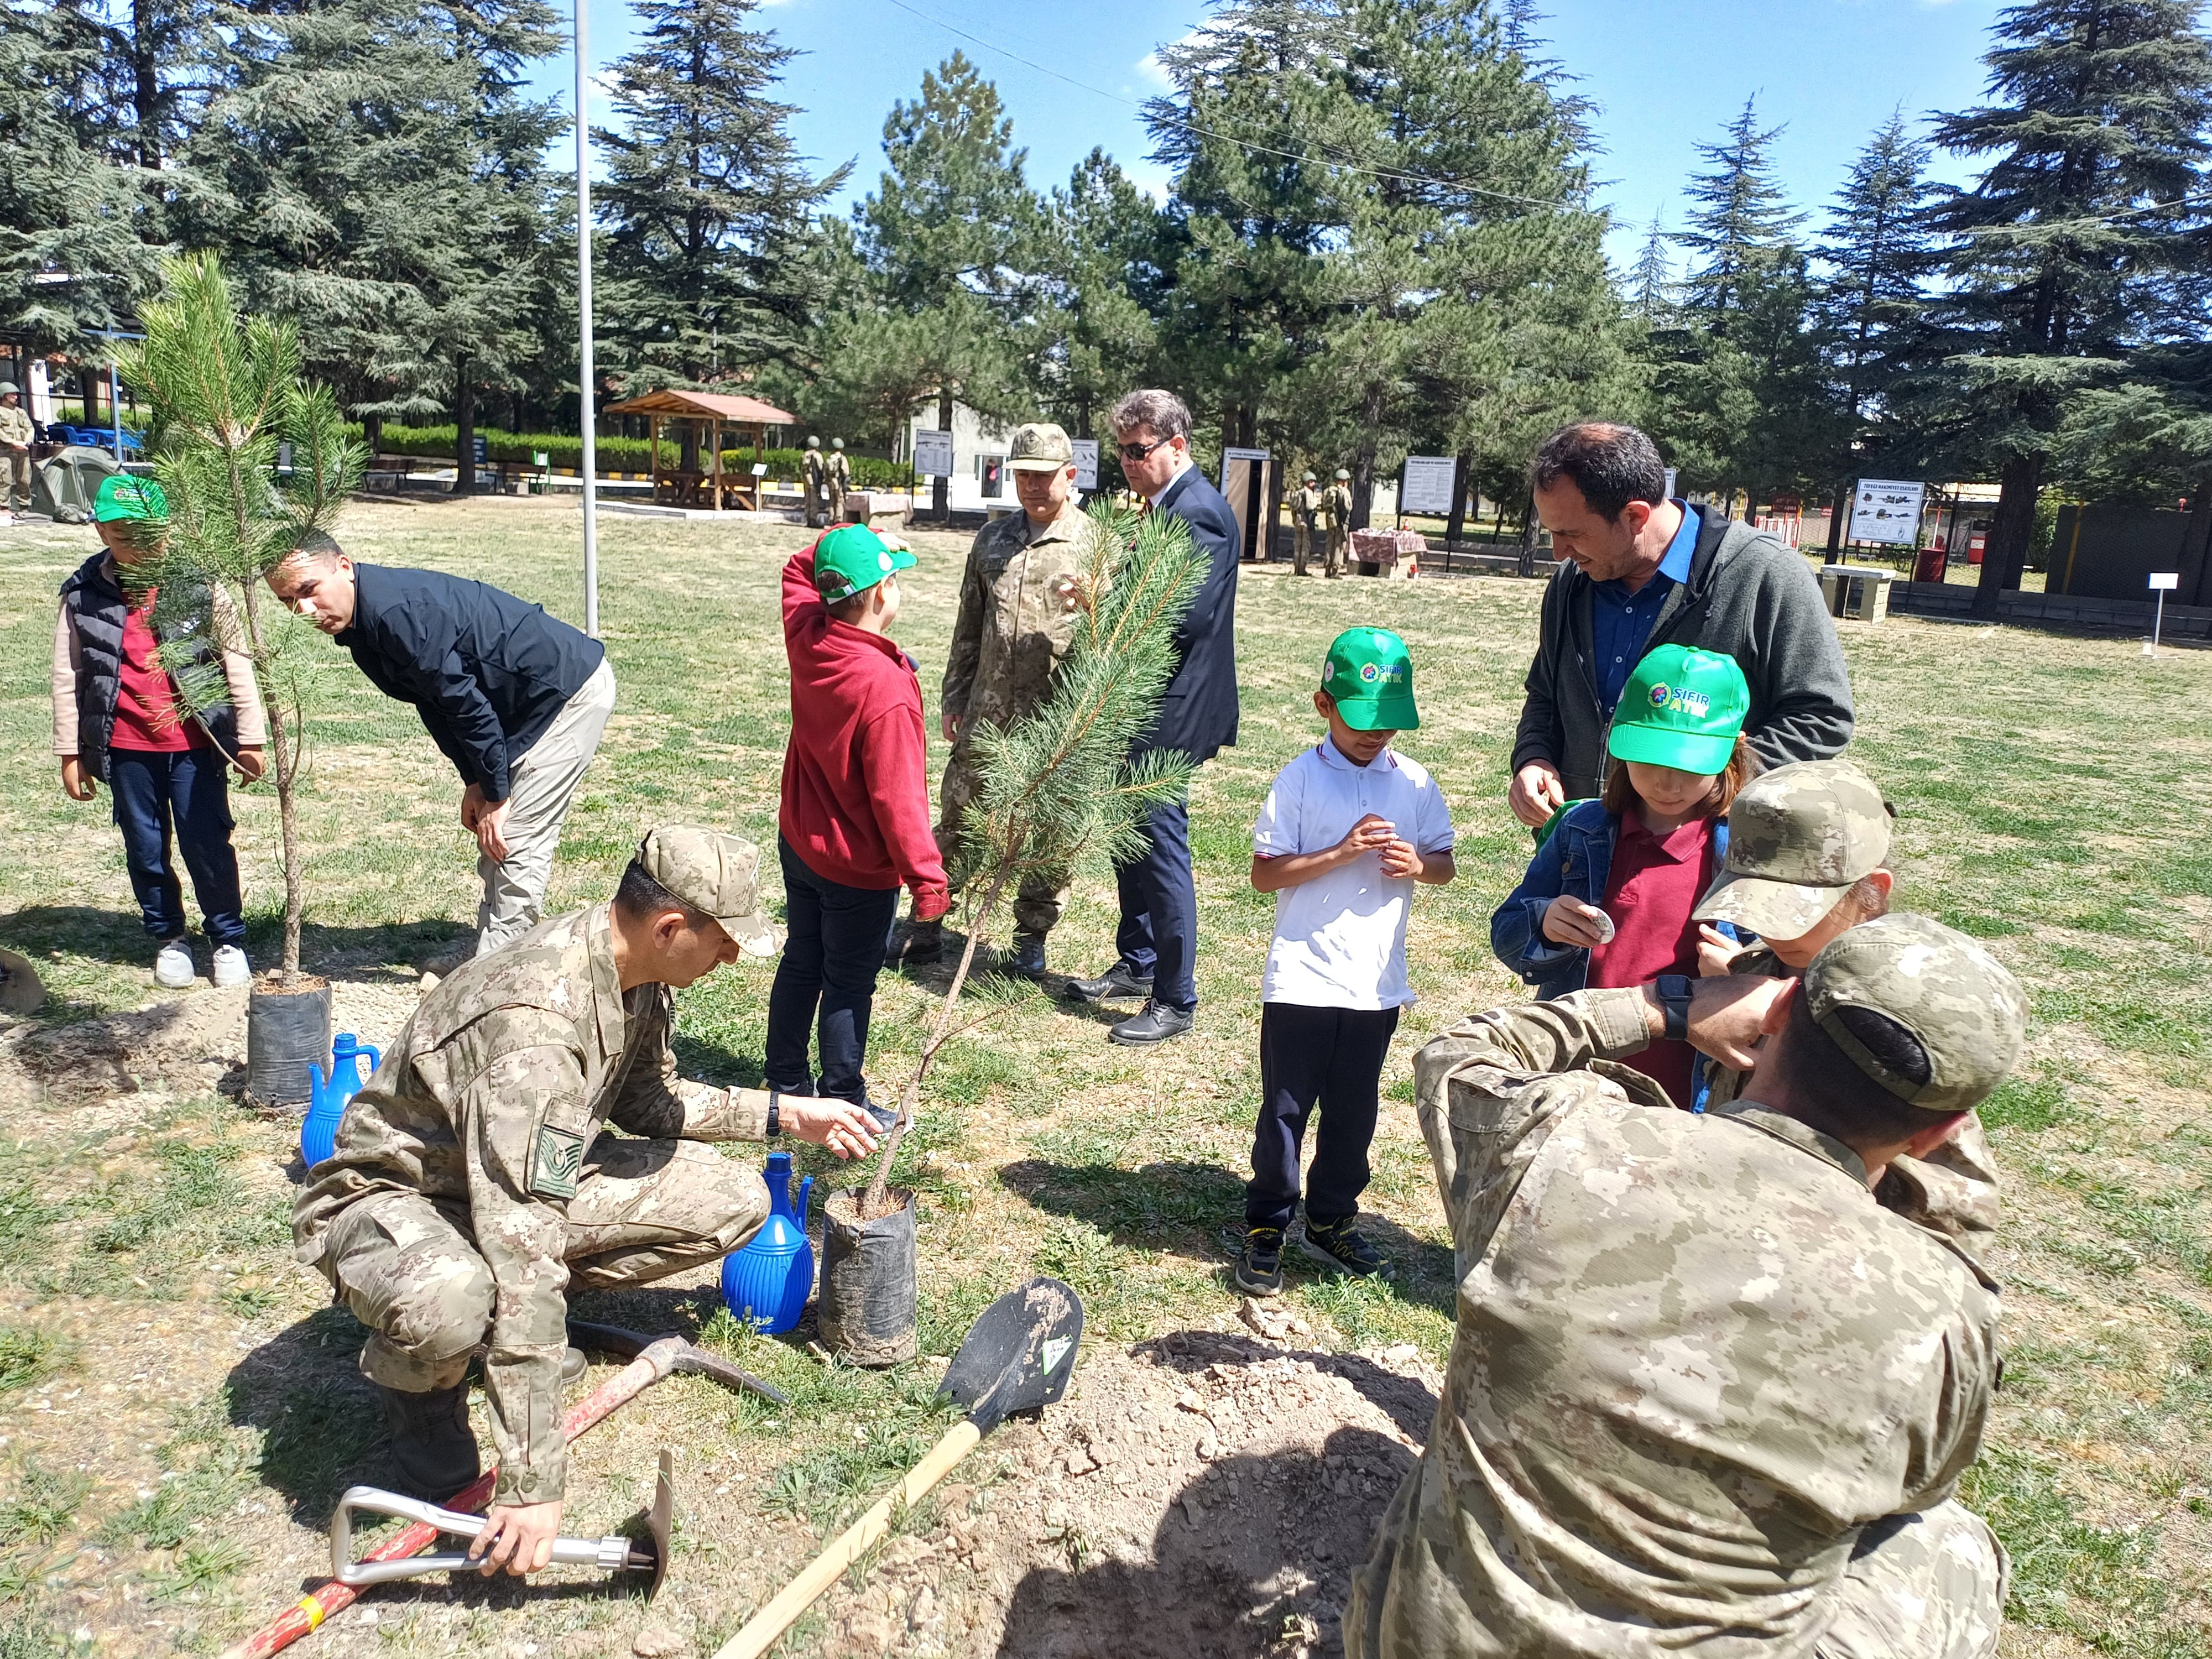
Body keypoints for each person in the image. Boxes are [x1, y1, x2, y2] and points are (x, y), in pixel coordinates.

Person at [1349, 913, 2025, 1658]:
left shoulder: (1564, 1147)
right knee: (1948, 1543)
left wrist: (1663, 1006)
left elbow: (1461, 1054)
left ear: (1776, 1010)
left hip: (1415, 1641)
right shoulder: (1943, 1317)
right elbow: (1915, 1488)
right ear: (1940, 1135)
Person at [293, 826, 883, 1575]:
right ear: (671, 928)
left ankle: (507, 1333)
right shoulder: (536, 1032)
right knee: (455, 1299)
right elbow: (524, 1244)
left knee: (731, 1200)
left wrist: (785, 1114)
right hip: (397, 1197)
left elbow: (649, 1103)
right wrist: (532, 1482)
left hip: (503, 1179)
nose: (733, 957)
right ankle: (425, 1396)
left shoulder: (631, 971)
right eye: (726, 941)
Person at [1692, 757, 1999, 1248]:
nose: (1771, 928)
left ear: (1873, 892)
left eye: (1795, 908)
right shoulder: (1756, 968)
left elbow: (1963, 1213)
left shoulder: (1899, 1014)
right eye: (1755, 903)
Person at [266, 535, 617, 961]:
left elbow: (468, 709)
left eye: (308, 590)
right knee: (497, 839)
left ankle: (494, 978)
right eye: (288, 601)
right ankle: (490, 957)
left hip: (564, 693)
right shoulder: (362, 627)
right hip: (515, 706)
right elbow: (433, 703)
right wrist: (476, 780)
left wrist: (498, 794)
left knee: (516, 839)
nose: (303, 611)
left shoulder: (399, 617)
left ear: (343, 566)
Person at [1232, 628, 1455, 1297]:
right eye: (1362, 720)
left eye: (1389, 723)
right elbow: (1264, 876)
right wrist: (1340, 851)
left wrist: (1418, 863)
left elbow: (1442, 863)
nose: (1375, 735)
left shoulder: (1413, 783)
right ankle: (1268, 1222)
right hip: (1301, 977)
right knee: (1286, 1108)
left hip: (1375, 985)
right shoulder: (1299, 780)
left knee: (1354, 1114)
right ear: (1323, 704)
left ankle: (1330, 1218)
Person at [1507, 422, 1854, 828]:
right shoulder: (1572, 581)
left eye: (1570, 534)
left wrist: (1713, 786)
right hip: (1580, 850)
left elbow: (1823, 716)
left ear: (1635, 515)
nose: (1559, 551)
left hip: (1705, 863)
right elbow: (1545, 695)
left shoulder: (1766, 574)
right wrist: (1533, 757)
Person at [1490, 644, 1755, 1107]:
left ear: (1734, 750)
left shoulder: (1746, 854)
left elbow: (1787, 974)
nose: (1667, 783)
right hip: (1579, 1077)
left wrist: (1742, 972)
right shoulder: (1579, 829)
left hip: (1686, 1090)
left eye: (1690, 765)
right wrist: (1545, 925)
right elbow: (1508, 933)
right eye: (1650, 759)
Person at [1065, 388, 1241, 1046]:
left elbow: (1183, 615)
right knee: (1128, 840)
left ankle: (1176, 998)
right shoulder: (1166, 506)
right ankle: (1139, 963)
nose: (1129, 463)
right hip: (1143, 700)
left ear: (1177, 445)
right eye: (1122, 452)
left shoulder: (1199, 514)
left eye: (1140, 451)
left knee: (1161, 847)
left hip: (1173, 708)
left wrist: (1102, 596)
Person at [53, 475, 267, 989]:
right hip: (127, 748)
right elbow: (68, 676)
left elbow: (236, 663)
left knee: (208, 841)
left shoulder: (202, 588)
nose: (140, 547)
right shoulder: (82, 595)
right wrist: (69, 752)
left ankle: (227, 937)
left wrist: (250, 738)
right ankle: (169, 937)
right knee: (145, 845)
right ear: (102, 533)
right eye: (125, 536)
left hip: (196, 745)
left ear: (169, 532)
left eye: (151, 535)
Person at [773, 525, 950, 1108]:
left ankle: (786, 1081)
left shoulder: (808, 634)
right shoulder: (886, 692)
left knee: (802, 958)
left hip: (800, 845)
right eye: (894, 579)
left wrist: (844, 541)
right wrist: (927, 879)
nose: (897, 589)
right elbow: (899, 802)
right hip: (856, 870)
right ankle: (843, 1094)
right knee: (848, 983)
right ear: (878, 594)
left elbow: (798, 571)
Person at [907, 421, 1090, 977]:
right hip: (988, 710)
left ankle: (1031, 935)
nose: (1033, 486)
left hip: (1055, 713)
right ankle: (929, 921)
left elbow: (1116, 635)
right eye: (1024, 476)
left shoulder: (1095, 544)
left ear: (1070, 475)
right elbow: (969, 623)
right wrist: (954, 695)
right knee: (960, 815)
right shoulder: (992, 540)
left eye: (1044, 475)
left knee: (1049, 828)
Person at [1, 380, 33, 521]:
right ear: (3, 395)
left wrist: (26, 442)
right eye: (12, 394)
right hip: (5, 451)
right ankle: (3, 507)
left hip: (23, 451)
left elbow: (30, 429)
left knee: (24, 478)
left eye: (16, 394)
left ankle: (25, 506)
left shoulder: (21, 412)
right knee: (4, 479)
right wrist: (13, 442)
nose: (16, 397)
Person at [1291, 472, 1323, 575]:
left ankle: (1297, 568)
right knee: (1305, 547)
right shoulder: (1308, 493)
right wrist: (1317, 501)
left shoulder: (1298, 492)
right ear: (1307, 482)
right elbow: (1310, 507)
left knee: (1297, 546)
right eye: (1312, 482)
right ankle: (1302, 570)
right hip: (1306, 522)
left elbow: (1293, 507)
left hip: (1298, 521)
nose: (1313, 484)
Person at [1323, 468, 1353, 578]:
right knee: (1339, 546)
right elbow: (1349, 507)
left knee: (1329, 544)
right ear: (1344, 481)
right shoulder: (1345, 492)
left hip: (1330, 521)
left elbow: (1324, 505)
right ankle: (1335, 571)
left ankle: (1327, 569)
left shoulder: (1328, 491)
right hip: (1341, 522)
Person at [824, 438, 852, 525]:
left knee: (832, 501)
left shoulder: (830, 458)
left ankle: (831, 518)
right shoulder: (842, 458)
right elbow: (846, 472)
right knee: (840, 500)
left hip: (830, 482)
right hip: (838, 483)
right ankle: (839, 519)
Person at [802, 435, 827, 528]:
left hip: (806, 480)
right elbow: (821, 469)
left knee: (807, 500)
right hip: (814, 481)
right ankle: (813, 520)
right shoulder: (817, 455)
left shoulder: (805, 455)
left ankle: (808, 519)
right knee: (814, 501)